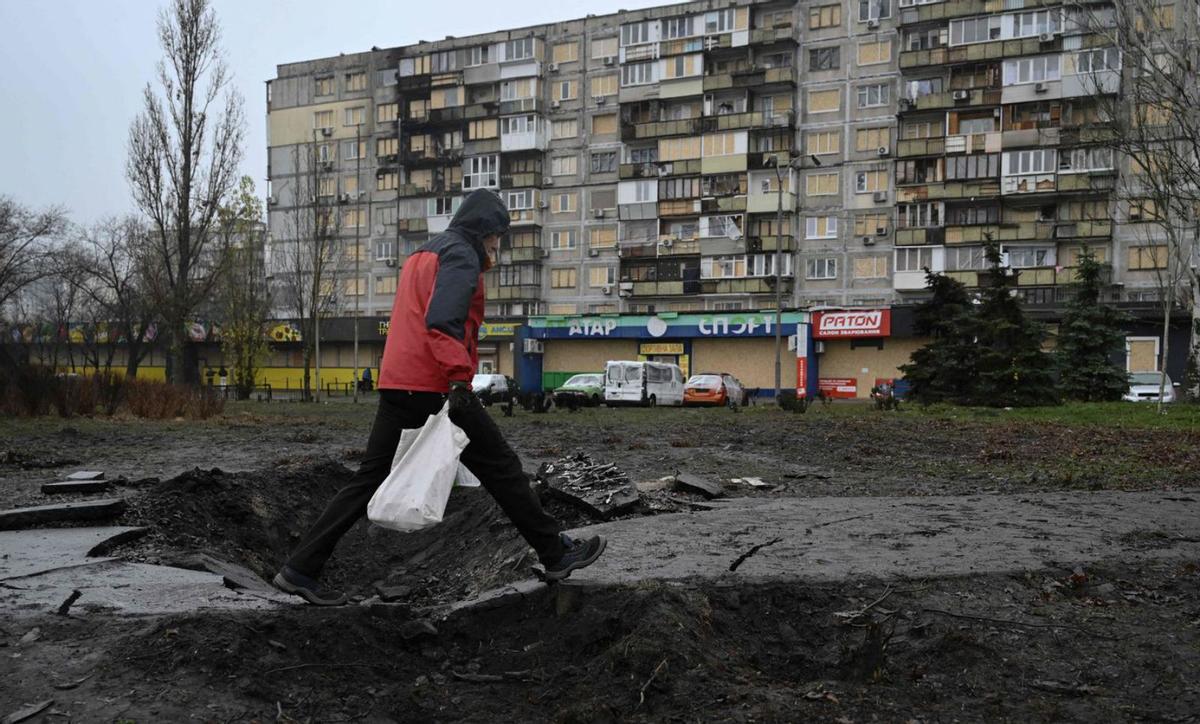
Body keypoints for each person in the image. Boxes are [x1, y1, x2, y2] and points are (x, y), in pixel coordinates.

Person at [273, 189, 606, 606]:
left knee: (368, 478)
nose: (497, 246)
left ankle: (300, 569)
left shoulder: (422, 254)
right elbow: (442, 321)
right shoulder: (461, 255)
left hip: (399, 380)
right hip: (435, 385)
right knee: (502, 468)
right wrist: (460, 380)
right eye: (497, 236)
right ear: (484, 230)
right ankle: (556, 553)